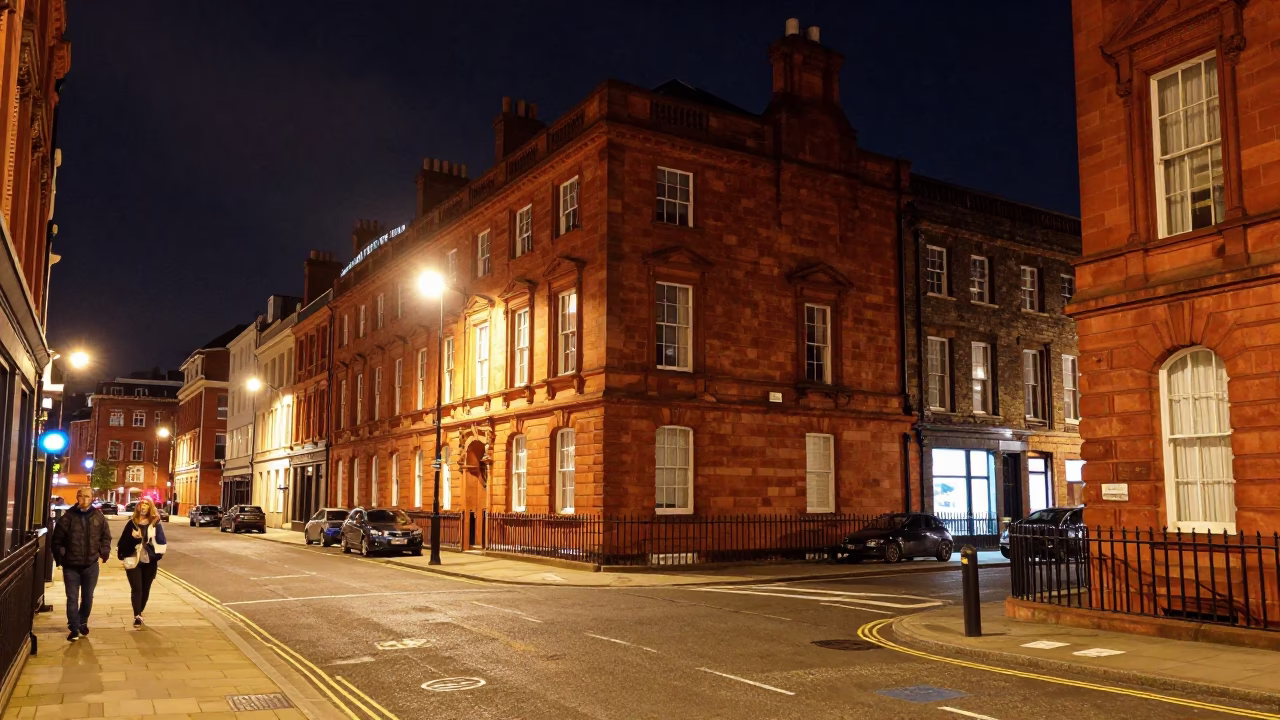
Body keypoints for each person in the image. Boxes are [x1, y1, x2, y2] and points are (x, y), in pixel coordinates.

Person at [50, 487, 112, 641]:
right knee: (72, 598)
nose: (84, 499)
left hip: (90, 565)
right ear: (77, 497)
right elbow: (56, 540)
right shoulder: (67, 518)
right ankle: (74, 627)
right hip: (71, 565)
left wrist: (104, 551)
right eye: (81, 496)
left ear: (92, 498)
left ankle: (82, 621)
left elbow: (106, 536)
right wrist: (61, 556)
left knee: (87, 597)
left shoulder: (99, 517)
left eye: (87, 496)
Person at [117, 497, 167, 627]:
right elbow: (122, 543)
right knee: (136, 588)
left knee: (145, 588)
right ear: (137, 507)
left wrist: (154, 556)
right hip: (133, 560)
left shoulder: (155, 523)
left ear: (150, 507)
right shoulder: (131, 523)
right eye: (141, 504)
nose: (143, 506)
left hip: (149, 561)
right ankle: (137, 615)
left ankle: (140, 611)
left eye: (146, 504)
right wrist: (133, 540)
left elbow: (162, 543)